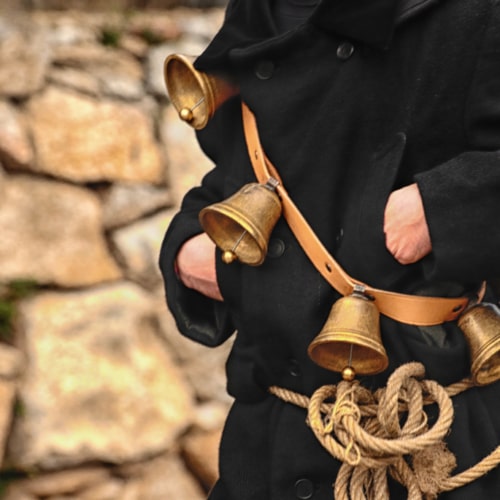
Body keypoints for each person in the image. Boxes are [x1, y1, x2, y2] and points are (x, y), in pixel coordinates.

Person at [159, 0, 500, 498]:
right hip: (268, 439)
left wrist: (445, 207)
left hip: (423, 445)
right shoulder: (264, 9)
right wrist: (189, 247)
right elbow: (244, 169)